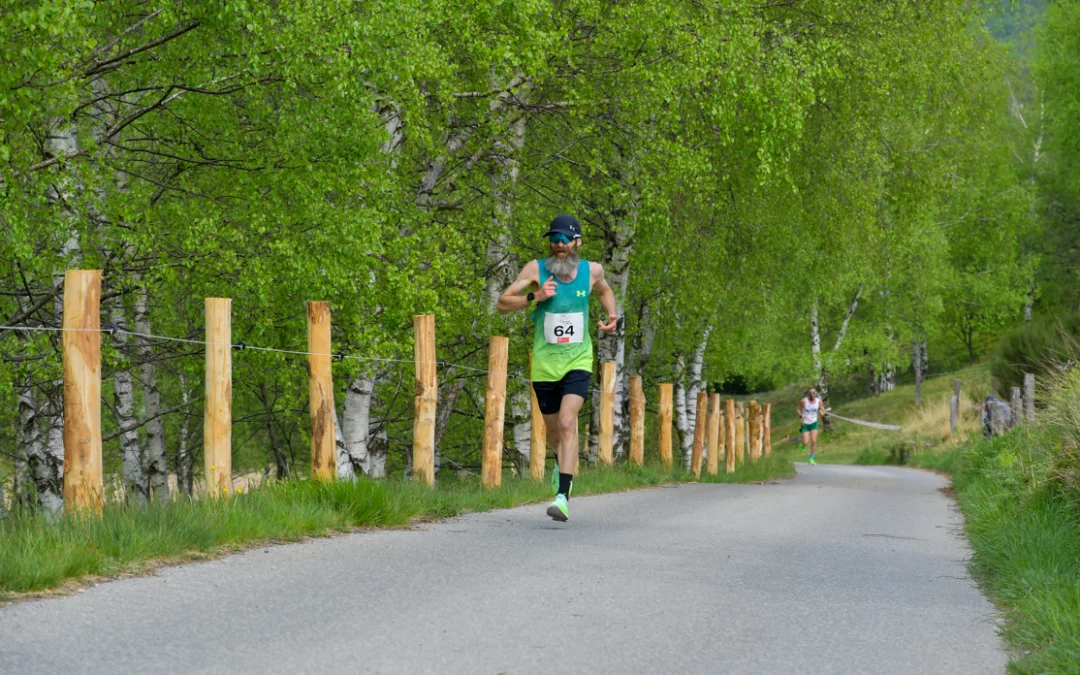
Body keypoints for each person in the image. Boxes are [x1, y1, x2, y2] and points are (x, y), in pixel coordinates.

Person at [497, 214, 618, 522]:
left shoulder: (592, 271)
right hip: (545, 365)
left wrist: (612, 315)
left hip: (578, 360)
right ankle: (560, 463)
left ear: (577, 242)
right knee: (554, 432)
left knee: (567, 423)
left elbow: (604, 290)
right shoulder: (535, 269)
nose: (560, 245)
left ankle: (562, 496)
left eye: (566, 240)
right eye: (555, 240)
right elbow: (502, 302)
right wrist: (534, 297)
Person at [796, 387, 824, 464]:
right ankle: (804, 445)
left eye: (814, 393)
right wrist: (801, 416)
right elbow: (797, 409)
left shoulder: (819, 402)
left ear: (816, 394)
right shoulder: (804, 401)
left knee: (814, 441)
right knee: (806, 441)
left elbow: (822, 410)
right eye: (810, 394)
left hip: (814, 423)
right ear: (808, 394)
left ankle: (811, 458)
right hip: (805, 423)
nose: (812, 395)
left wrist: (822, 413)